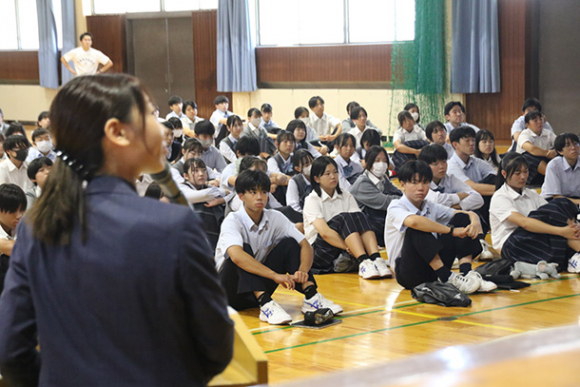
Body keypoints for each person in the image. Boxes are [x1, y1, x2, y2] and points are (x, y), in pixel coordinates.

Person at [0, 74, 233, 386]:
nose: (162, 128)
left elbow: (10, 350)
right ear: (117, 132)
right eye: (151, 115)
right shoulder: (172, 226)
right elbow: (216, 345)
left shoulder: (35, 225)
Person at [215, 169, 342, 325]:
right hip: (228, 292)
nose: (259, 197)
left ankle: (311, 297)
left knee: (290, 243)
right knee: (242, 252)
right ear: (241, 196)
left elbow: (305, 245)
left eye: (263, 192)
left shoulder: (275, 217)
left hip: (256, 288)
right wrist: (275, 275)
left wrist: (302, 270)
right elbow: (236, 256)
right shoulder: (233, 220)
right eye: (253, 192)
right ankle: (266, 304)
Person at [385, 160, 496, 293]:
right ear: (402, 185)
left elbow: (461, 214)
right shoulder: (396, 206)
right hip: (408, 272)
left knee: (462, 219)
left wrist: (474, 219)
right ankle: (446, 277)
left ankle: (466, 274)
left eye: (425, 182)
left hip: (432, 269)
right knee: (417, 227)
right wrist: (451, 231)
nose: (421, 187)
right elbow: (414, 222)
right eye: (414, 183)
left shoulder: (429, 205)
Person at [490, 152, 580, 272]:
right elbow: (524, 223)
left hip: (534, 235)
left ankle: (574, 257)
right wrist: (562, 231)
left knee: (561, 203)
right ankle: (573, 255)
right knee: (555, 230)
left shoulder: (532, 194)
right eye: (517, 173)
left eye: (526, 172)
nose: (523, 177)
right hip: (513, 244)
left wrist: (570, 228)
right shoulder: (500, 197)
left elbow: (553, 215)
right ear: (504, 174)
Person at [303, 156, 389, 279]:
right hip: (319, 251)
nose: (333, 176)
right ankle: (364, 261)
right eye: (327, 174)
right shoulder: (312, 199)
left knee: (359, 215)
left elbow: (358, 222)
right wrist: (348, 247)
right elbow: (325, 233)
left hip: (346, 246)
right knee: (344, 217)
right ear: (317, 179)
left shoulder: (346, 195)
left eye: (335, 172)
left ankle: (376, 259)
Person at [419, 144, 493, 259]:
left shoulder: (450, 179)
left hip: (451, 221)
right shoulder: (421, 182)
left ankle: (479, 242)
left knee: (469, 214)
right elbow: (435, 199)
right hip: (432, 226)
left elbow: (478, 198)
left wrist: (456, 207)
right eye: (435, 164)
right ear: (425, 166)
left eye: (444, 162)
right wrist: (458, 196)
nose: (442, 167)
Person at [349, 146, 402, 248]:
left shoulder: (382, 178)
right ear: (368, 163)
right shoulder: (362, 183)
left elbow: (396, 192)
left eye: (384, 160)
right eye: (377, 160)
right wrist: (410, 200)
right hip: (366, 226)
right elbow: (385, 202)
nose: (381, 164)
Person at [447, 126, 496, 229]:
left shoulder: (477, 162)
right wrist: (502, 190)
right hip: (461, 207)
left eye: (473, 140)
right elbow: (472, 187)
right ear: (455, 144)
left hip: (479, 203)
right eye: (467, 140)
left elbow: (497, 178)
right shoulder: (451, 166)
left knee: (493, 179)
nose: (472, 143)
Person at [180, 158, 227, 253]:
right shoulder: (181, 188)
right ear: (185, 176)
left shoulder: (208, 187)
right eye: (195, 171)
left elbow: (231, 194)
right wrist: (220, 192)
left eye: (203, 170)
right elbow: (205, 195)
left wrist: (220, 200)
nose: (201, 174)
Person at [515, 110, 557, 185]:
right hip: (529, 170)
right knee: (527, 156)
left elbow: (560, 145)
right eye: (535, 120)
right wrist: (547, 153)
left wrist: (555, 151)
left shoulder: (548, 133)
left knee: (562, 152)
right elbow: (532, 149)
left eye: (540, 119)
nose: (539, 122)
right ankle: (555, 177)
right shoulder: (524, 134)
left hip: (544, 164)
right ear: (528, 125)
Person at [0, 184, 26, 293]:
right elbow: (13, 248)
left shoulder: (21, 225)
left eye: (22, 210)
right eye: (13, 211)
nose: (19, 215)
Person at [541, 133, 580, 204]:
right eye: (568, 145)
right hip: (554, 200)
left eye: (575, 144)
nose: (573, 148)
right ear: (560, 151)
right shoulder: (554, 165)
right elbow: (556, 196)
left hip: (576, 199)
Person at [286, 149, 314, 216]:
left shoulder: (320, 177)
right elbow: (293, 206)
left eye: (312, 162)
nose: (311, 166)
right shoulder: (294, 181)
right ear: (298, 168)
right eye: (307, 164)